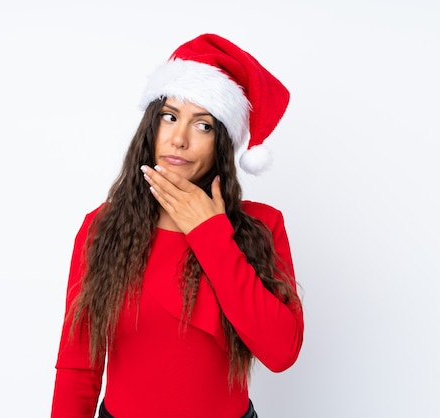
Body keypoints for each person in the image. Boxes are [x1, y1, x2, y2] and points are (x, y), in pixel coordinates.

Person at [51, 33, 304, 418]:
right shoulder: (101, 227)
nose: (179, 139)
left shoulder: (262, 225)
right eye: (170, 117)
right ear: (151, 127)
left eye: (203, 126)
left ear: (222, 141)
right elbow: (78, 365)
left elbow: (281, 352)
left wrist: (210, 233)